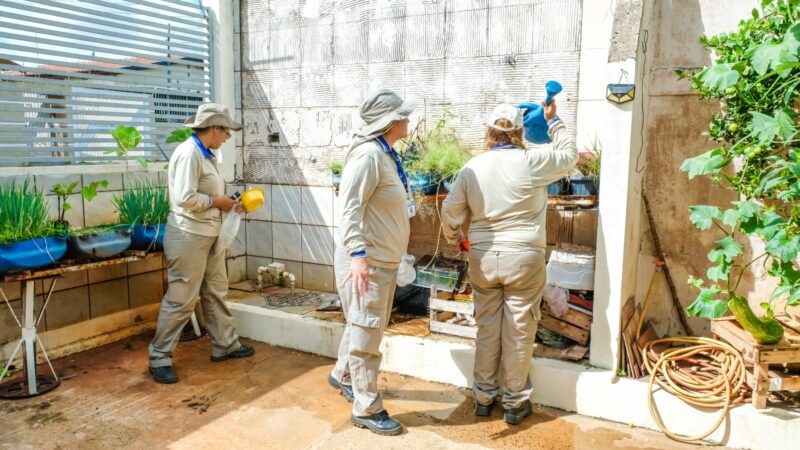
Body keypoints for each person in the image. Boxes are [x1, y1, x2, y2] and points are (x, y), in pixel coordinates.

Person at [440, 101, 578, 424]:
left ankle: (484, 399)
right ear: (518, 132)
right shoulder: (531, 161)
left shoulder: (471, 168)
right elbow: (570, 156)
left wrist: (456, 239)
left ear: (489, 132)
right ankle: (514, 405)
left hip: (483, 258)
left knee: (487, 327)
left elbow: (449, 211)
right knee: (518, 328)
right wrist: (553, 121)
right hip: (523, 258)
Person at [327, 89, 415, 436]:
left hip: (381, 259)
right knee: (366, 336)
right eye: (404, 116)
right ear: (391, 122)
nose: (409, 120)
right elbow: (349, 210)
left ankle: (342, 375)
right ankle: (366, 407)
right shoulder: (367, 157)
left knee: (361, 324)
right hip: (368, 262)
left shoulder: (385, 153)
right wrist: (359, 257)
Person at [148, 103, 254, 384]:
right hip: (188, 235)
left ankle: (225, 344)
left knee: (216, 290)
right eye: (226, 131)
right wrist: (217, 202)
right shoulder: (189, 153)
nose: (228, 137)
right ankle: (160, 357)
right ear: (214, 128)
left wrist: (229, 202)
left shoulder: (208, 155)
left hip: (209, 233)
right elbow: (184, 198)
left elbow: (208, 193)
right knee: (181, 298)